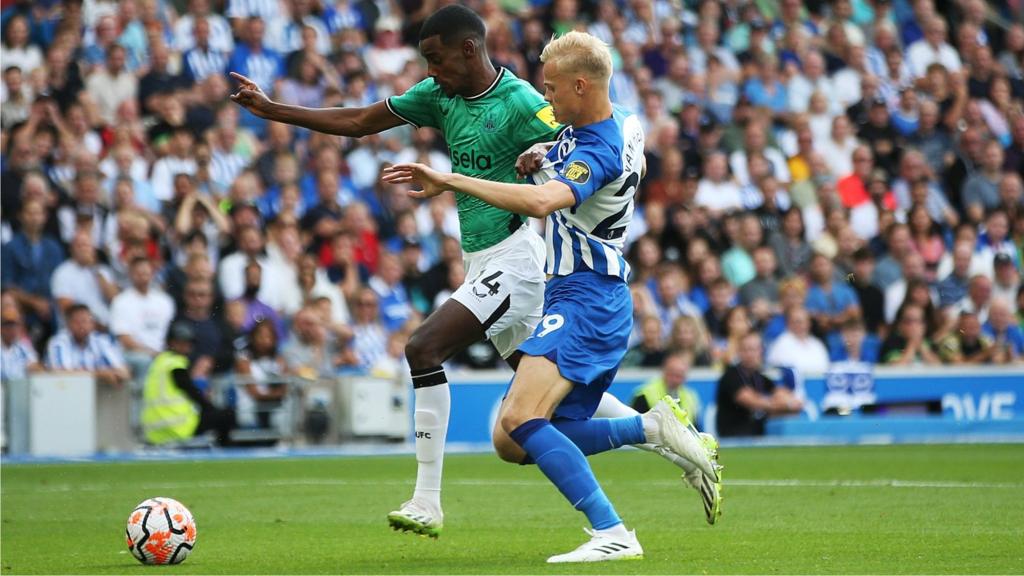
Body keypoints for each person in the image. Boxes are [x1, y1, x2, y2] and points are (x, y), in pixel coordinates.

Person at [231, 4, 710, 536]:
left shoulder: (524, 100)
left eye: (437, 59)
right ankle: (654, 428)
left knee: (423, 348)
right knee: (536, 420)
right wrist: (273, 110)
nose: (431, 71)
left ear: (469, 49)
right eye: (424, 61)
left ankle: (427, 499)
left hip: (520, 257)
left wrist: (541, 148)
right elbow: (361, 121)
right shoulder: (438, 96)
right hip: (482, 261)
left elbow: (583, 132)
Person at [383, 31, 719, 562]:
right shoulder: (624, 120)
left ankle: (613, 532)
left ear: (581, 86)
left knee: (518, 417)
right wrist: (546, 150)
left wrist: (453, 180)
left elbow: (544, 202)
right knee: (514, 441)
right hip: (585, 294)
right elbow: (590, 156)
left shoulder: (598, 150)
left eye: (554, 89)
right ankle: (649, 426)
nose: (548, 99)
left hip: (587, 297)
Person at [140, 321, 235, 446]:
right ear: (170, 343)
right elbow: (192, 392)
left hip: (154, 431)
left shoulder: (159, 362)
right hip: (177, 427)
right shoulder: (175, 363)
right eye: (180, 343)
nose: (185, 347)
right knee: (227, 415)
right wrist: (211, 409)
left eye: (187, 344)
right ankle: (223, 454)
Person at [716, 332, 804, 437]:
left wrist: (786, 403)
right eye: (746, 349)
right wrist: (783, 405)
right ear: (739, 352)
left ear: (761, 351)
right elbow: (752, 401)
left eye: (754, 349)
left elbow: (790, 399)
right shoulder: (731, 375)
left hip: (758, 433)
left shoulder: (760, 377)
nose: (750, 354)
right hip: (735, 434)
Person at [44, 304, 131, 386]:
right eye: (77, 322)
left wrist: (112, 374)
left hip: (99, 397)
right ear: (68, 324)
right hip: (65, 394)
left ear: (92, 323)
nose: (82, 326)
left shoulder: (101, 340)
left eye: (85, 321)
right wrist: (99, 375)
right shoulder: (58, 342)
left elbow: (124, 372)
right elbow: (61, 374)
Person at [631, 353, 702, 430]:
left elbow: (696, 429)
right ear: (664, 372)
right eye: (672, 374)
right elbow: (635, 426)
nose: (675, 380)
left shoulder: (690, 396)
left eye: (679, 376)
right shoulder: (645, 393)